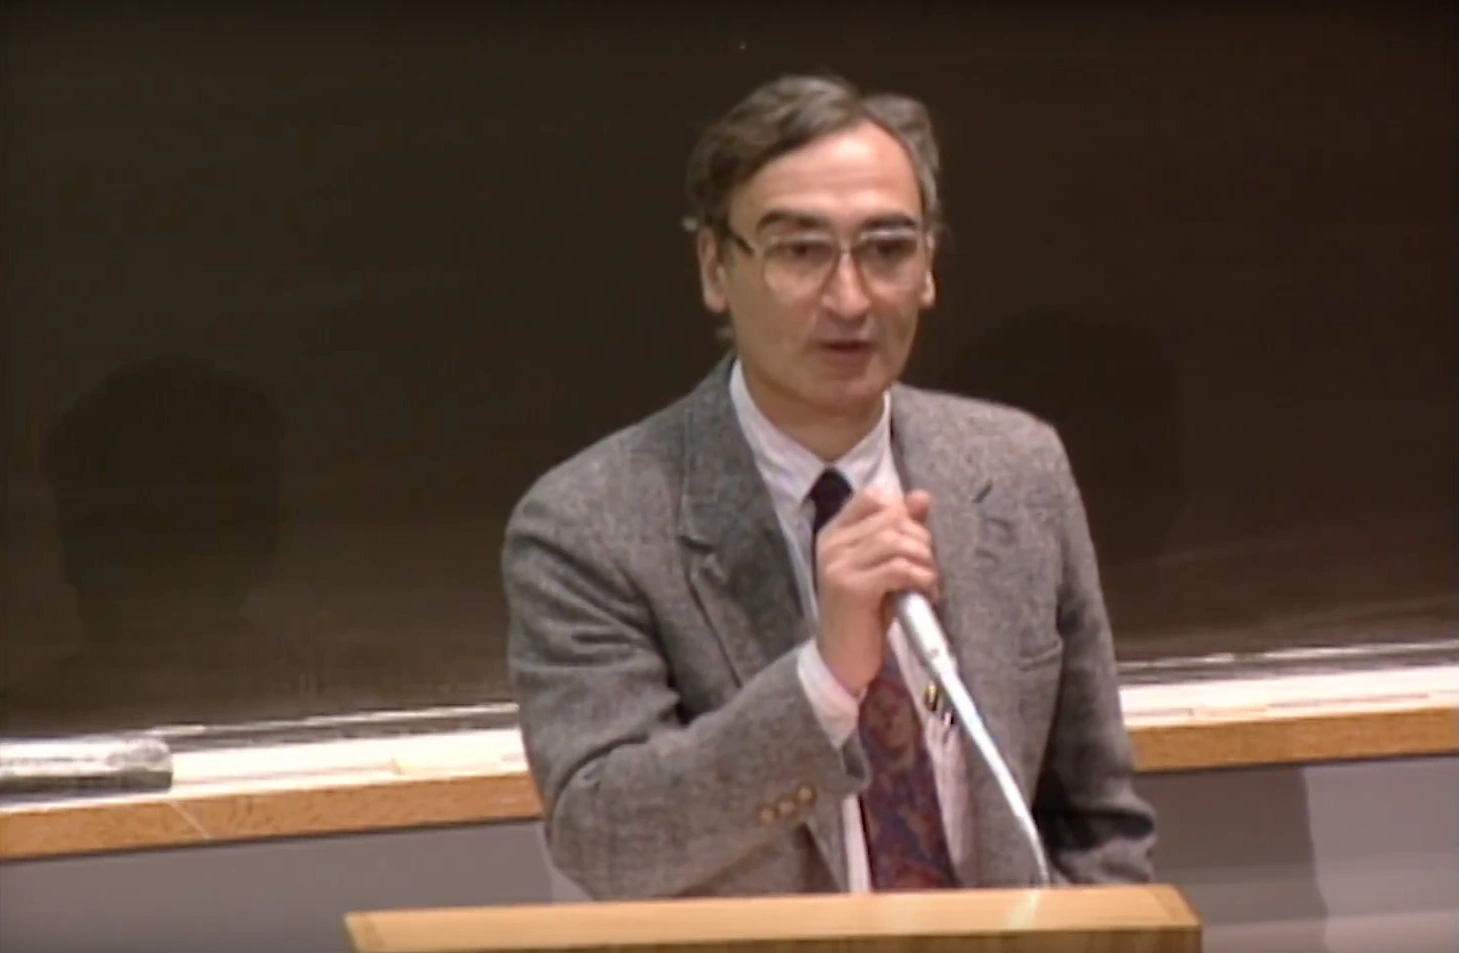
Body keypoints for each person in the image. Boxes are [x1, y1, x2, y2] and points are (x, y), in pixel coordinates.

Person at [503, 74, 1156, 899]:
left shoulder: (1017, 471)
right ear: (715, 267)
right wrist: (825, 681)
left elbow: (1097, 819)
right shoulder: (589, 522)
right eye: (800, 251)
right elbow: (608, 839)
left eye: (886, 249)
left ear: (926, 266)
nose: (849, 298)